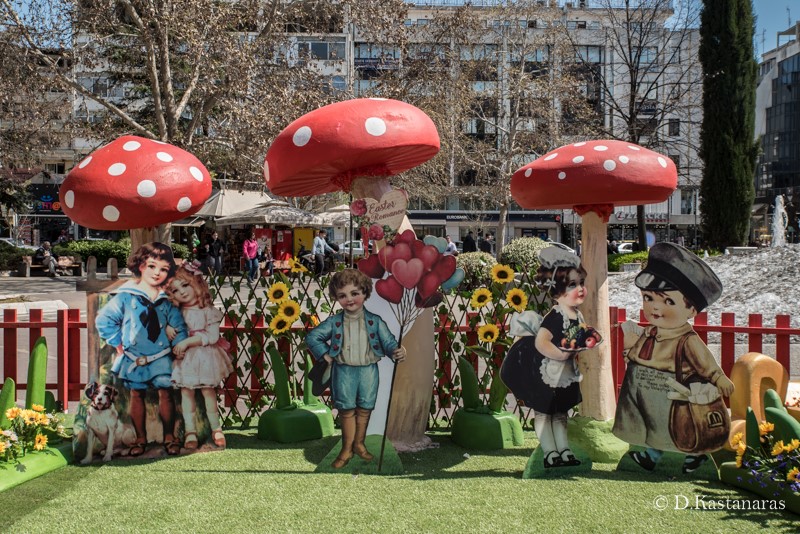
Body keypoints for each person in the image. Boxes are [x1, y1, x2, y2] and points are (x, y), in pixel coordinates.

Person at [613, 243, 734, 474]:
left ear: (691, 311)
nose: (655, 307)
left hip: (672, 388)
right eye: (648, 298)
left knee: (677, 426)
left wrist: (719, 378)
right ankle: (648, 453)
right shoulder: (650, 332)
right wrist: (630, 352)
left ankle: (693, 455)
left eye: (668, 301)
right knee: (648, 424)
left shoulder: (686, 339)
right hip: (642, 388)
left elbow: (704, 362)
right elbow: (638, 354)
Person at [305, 269, 406, 469]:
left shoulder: (374, 321)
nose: (349, 299)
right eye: (342, 296)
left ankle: (359, 444)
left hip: (368, 371)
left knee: (365, 408)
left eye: (354, 293)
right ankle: (346, 448)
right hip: (344, 372)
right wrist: (324, 353)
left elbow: (388, 342)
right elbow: (312, 337)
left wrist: (396, 351)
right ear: (336, 298)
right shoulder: (335, 322)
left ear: (365, 293)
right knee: (346, 410)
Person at [95, 242, 188, 457]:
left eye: (163, 269)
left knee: (166, 393)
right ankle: (140, 439)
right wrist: (118, 343)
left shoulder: (167, 300)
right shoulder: (126, 295)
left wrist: (179, 344)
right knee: (136, 393)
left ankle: (169, 437)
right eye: (152, 266)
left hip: (161, 355)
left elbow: (179, 327)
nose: (157, 273)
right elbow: (104, 320)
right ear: (140, 266)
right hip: (134, 357)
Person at [500, 246, 589, 468]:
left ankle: (564, 449)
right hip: (548, 371)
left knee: (560, 413)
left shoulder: (577, 315)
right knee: (544, 412)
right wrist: (561, 353)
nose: (579, 289)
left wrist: (584, 342)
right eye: (572, 285)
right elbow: (541, 342)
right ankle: (550, 451)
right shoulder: (555, 316)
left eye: (580, 284)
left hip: (565, 373)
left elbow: (580, 337)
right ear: (557, 291)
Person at [167, 261, 234, 450]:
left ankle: (216, 428)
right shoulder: (177, 313)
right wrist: (169, 329)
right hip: (185, 360)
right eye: (176, 290)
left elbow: (212, 336)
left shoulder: (208, 311)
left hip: (205, 357)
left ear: (198, 284)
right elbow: (171, 329)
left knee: (208, 392)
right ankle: (190, 431)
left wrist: (188, 341)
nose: (182, 292)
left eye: (185, 285)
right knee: (186, 393)